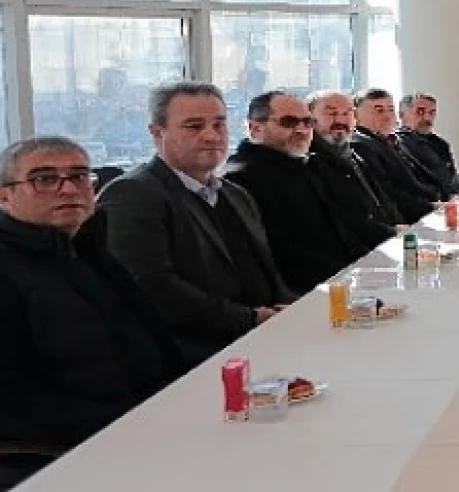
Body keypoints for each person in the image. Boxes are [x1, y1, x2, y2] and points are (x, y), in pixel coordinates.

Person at [0, 137, 183, 488]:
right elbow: (11, 400)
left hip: (146, 423)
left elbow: (150, 342)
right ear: (5, 196)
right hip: (58, 453)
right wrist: (133, 422)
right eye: (44, 179)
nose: (69, 189)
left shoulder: (87, 248)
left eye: (79, 176)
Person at [96, 82, 295, 365]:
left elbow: (265, 273)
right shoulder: (132, 194)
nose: (211, 135)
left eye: (219, 124)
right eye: (194, 126)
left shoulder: (236, 195)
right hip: (194, 356)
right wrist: (251, 318)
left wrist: (294, 310)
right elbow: (153, 288)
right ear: (157, 132)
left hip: (264, 338)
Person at [224, 91, 368, 294]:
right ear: (255, 128)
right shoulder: (242, 178)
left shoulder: (307, 165)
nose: (301, 130)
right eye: (289, 122)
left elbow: (342, 227)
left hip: (346, 278)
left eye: (308, 122)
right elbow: (277, 254)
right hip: (306, 294)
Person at [306, 90, 401, 242]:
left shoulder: (355, 154)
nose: (340, 120)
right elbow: (347, 221)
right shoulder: (311, 163)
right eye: (331, 113)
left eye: (346, 113)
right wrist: (391, 232)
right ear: (310, 119)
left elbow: (383, 201)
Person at [351, 88, 443, 223]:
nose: (388, 116)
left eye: (390, 109)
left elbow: (413, 181)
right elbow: (388, 191)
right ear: (356, 115)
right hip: (406, 220)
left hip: (425, 207)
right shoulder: (361, 145)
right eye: (379, 110)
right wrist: (430, 207)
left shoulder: (390, 140)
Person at [396, 93, 459, 196]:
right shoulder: (398, 145)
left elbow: (448, 176)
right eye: (420, 111)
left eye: (432, 113)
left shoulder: (439, 143)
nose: (427, 118)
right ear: (401, 115)